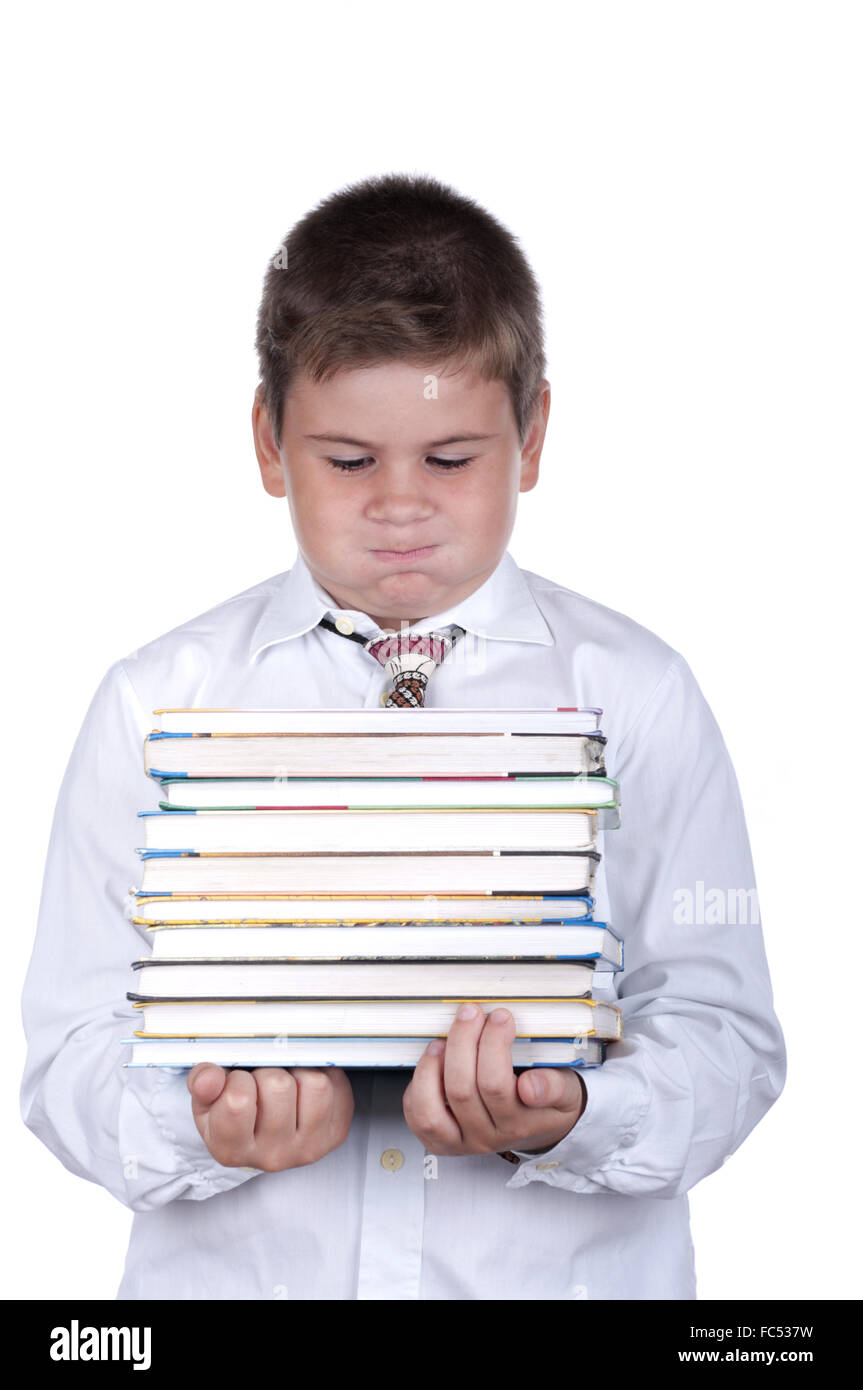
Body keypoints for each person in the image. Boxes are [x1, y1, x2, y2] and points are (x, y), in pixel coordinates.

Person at [19, 172, 786, 1301]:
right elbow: (68, 1054)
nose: (398, 503)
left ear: (529, 438)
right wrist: (204, 1125)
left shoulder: (637, 696)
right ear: (269, 444)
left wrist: (573, 1114)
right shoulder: (156, 703)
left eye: (448, 458)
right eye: (346, 459)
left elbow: (726, 1034)